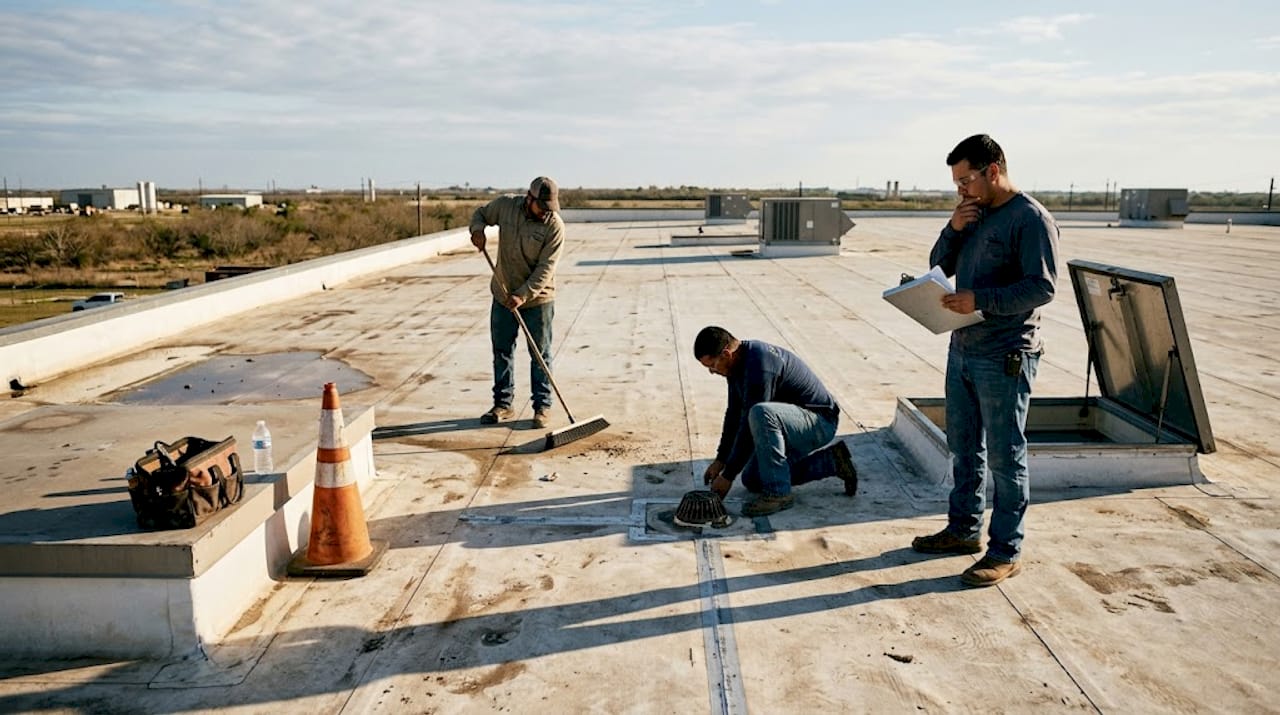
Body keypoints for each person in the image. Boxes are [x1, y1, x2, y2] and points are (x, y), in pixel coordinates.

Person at [911, 134, 1060, 587]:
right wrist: (954, 227)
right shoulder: (971, 213)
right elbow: (939, 264)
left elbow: (1042, 287)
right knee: (964, 445)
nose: (961, 189)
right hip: (963, 349)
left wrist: (982, 298)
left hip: (1005, 354)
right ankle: (963, 530)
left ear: (992, 170)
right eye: (956, 183)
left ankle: (1005, 550)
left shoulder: (1030, 219)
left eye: (965, 180)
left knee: (1004, 455)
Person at [694, 326, 858, 517]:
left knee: (760, 413)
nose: (712, 372)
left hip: (819, 422)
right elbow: (733, 415)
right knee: (754, 479)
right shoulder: (735, 366)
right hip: (791, 423)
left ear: (726, 354)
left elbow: (748, 425)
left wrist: (728, 476)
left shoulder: (759, 364)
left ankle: (779, 494)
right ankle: (832, 462)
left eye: (712, 365)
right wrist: (721, 460)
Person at [470, 176, 565, 429]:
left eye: (550, 208)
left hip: (538, 299)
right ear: (529, 198)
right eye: (542, 206)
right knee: (502, 351)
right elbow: (480, 214)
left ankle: (542, 407)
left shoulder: (555, 227)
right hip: (503, 294)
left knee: (540, 354)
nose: (546, 212)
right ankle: (503, 404)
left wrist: (523, 294)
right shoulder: (505, 206)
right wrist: (477, 231)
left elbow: (546, 269)